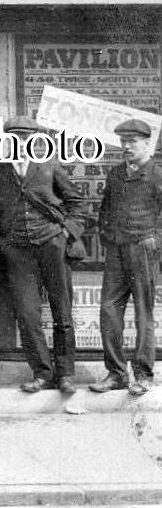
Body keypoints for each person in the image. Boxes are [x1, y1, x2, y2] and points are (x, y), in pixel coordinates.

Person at [0, 115, 86, 395]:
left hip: (51, 246)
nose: (20, 144)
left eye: (25, 139)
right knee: (27, 314)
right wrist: (4, 240)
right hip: (18, 251)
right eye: (14, 139)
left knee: (62, 311)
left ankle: (66, 374)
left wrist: (66, 234)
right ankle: (43, 373)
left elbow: (76, 203)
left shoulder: (50, 165)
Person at [91, 118, 162, 397]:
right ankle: (117, 373)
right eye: (123, 141)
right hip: (117, 250)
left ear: (147, 144)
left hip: (143, 248)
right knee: (108, 309)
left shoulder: (157, 175)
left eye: (132, 142)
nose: (126, 146)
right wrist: (107, 235)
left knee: (143, 312)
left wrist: (155, 242)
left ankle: (143, 374)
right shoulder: (116, 174)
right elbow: (105, 210)